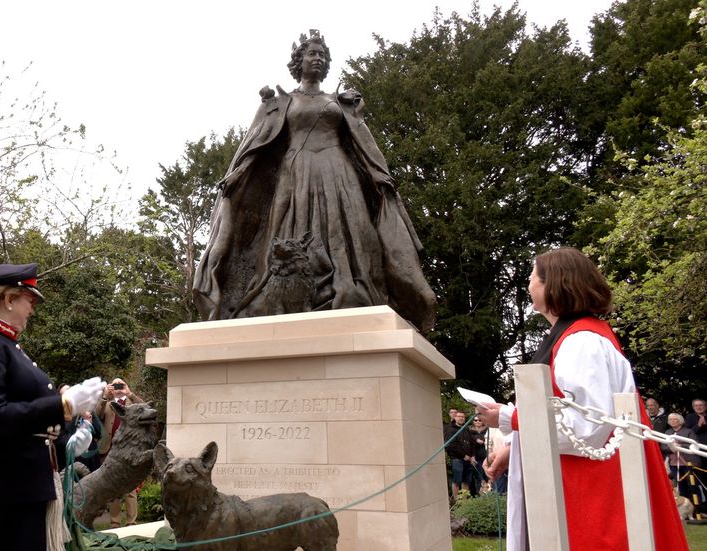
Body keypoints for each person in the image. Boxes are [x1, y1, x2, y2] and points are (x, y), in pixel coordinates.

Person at [192, 29, 435, 331]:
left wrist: (363, 134)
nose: (317, 58)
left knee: (351, 233)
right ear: (299, 61)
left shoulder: (339, 101)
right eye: (312, 53)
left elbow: (361, 142)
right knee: (287, 232)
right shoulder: (280, 102)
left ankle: (349, 288)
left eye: (322, 54)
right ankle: (289, 292)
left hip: (338, 172)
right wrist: (237, 175)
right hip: (295, 175)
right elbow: (254, 144)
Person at [477, 248, 686, 550]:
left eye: (532, 277)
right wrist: (513, 447)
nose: (528, 285)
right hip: (589, 485)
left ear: (554, 284)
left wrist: (511, 419)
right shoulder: (577, 336)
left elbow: (588, 429)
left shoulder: (581, 342)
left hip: (593, 493)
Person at [0, 262, 104, 551]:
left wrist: (64, 440)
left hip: (15, 482)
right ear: (9, 298)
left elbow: (24, 413)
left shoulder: (6, 344)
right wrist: (63, 403)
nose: (33, 308)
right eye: (30, 300)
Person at [98, 378, 143, 527]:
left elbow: (146, 409)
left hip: (129, 451)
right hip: (109, 451)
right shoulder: (106, 404)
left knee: (130, 489)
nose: (118, 387)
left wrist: (130, 394)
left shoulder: (132, 402)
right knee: (113, 489)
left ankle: (131, 522)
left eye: (121, 384)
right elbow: (96, 415)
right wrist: (104, 396)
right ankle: (115, 523)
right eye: (115, 385)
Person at [443, 409, 475, 501]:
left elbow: (472, 443)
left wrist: (472, 455)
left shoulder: (466, 429)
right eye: (459, 416)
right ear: (455, 418)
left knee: (466, 481)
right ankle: (457, 501)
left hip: (468, 459)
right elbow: (450, 445)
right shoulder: (451, 430)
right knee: (457, 480)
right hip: (457, 459)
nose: (461, 418)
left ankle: (464, 502)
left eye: (462, 417)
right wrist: (463, 455)